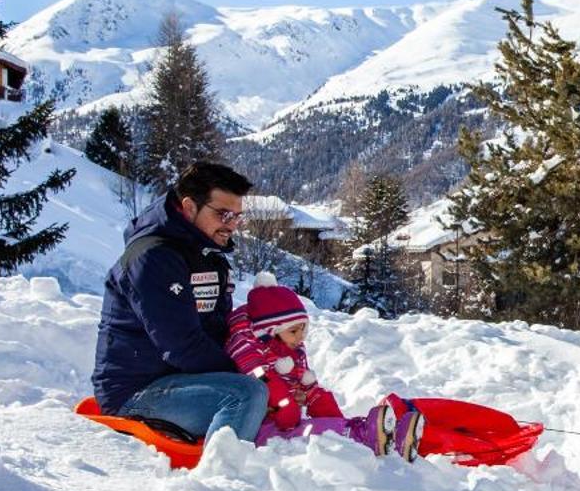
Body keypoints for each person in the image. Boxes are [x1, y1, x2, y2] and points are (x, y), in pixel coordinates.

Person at [92, 161, 268, 443]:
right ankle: (224, 480)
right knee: (245, 395)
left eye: (237, 217)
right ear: (189, 207)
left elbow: (219, 328)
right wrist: (248, 378)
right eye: (223, 214)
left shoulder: (208, 253)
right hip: (136, 393)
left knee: (261, 391)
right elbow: (181, 345)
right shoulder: (152, 258)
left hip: (183, 382)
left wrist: (262, 366)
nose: (232, 225)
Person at [233, 273, 424, 460]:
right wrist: (285, 403)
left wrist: (318, 400)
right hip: (262, 429)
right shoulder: (255, 355)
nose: (300, 337)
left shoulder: (292, 350)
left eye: (303, 329)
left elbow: (304, 385)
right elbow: (260, 377)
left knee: (323, 419)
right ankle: (360, 435)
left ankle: (389, 439)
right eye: (293, 331)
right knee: (313, 432)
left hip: (287, 423)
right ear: (270, 330)